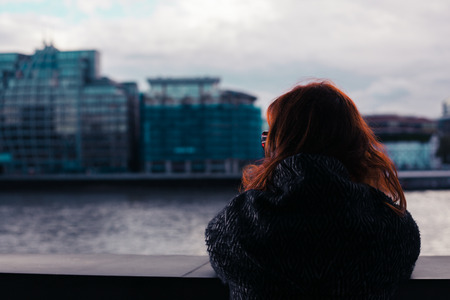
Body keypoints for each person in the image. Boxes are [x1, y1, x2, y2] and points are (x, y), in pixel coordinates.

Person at [205, 81, 420, 299]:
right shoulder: (392, 225)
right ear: (355, 145)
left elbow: (219, 253)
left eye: (269, 138)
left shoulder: (237, 221)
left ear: (279, 146)